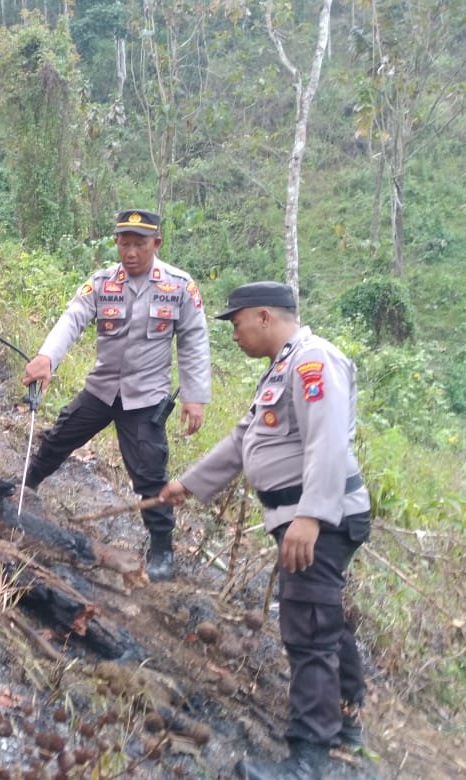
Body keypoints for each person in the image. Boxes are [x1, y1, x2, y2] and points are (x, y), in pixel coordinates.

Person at [158, 281, 371, 780]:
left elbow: (328, 441)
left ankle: (308, 757)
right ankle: (347, 718)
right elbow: (241, 441)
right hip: (302, 516)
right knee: (322, 616)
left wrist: (311, 517)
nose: (233, 334)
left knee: (309, 628)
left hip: (318, 518)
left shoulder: (314, 361)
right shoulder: (282, 369)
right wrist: (187, 485)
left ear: (263, 317)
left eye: (235, 324)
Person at [20, 208, 211, 581]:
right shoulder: (102, 282)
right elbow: (72, 318)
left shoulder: (179, 287)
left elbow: (194, 340)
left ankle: (161, 547)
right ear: (116, 243)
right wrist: (46, 357)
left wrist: (195, 395)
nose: (131, 252)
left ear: (156, 243)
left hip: (146, 397)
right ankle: (24, 489)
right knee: (58, 438)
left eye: (140, 244)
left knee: (150, 473)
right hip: (103, 388)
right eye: (125, 243)